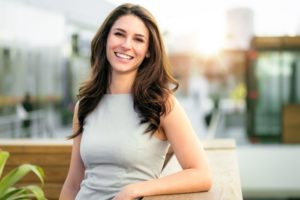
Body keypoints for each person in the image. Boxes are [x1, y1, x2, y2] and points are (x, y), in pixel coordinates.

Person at [59, 3, 212, 200]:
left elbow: (201, 173)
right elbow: (73, 184)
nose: (126, 45)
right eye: (119, 34)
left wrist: (135, 190)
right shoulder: (85, 105)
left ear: (148, 50)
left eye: (138, 39)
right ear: (106, 39)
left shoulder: (162, 103)